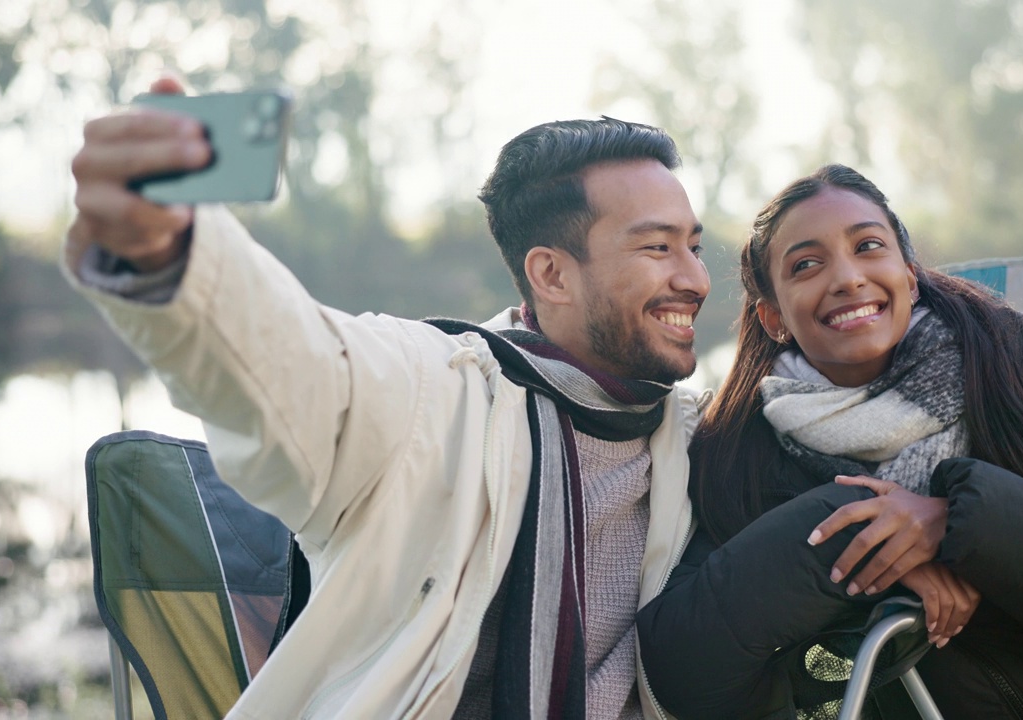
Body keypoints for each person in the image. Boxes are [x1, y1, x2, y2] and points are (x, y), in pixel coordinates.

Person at [65, 77, 710, 718]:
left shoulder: (693, 434)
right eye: (658, 247)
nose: (695, 278)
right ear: (551, 274)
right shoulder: (435, 394)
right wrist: (170, 253)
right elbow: (296, 361)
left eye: (694, 245)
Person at [636, 164, 1023, 719]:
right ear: (773, 318)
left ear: (910, 278)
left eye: (868, 246)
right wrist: (857, 533)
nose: (848, 278)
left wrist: (958, 523)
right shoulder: (739, 454)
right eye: (807, 265)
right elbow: (684, 672)